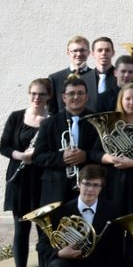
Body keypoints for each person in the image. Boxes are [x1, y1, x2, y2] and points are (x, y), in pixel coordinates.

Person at [1, 78, 50, 267]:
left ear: (48, 96)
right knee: (21, 231)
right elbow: (4, 146)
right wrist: (21, 155)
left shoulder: (52, 121)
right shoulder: (16, 117)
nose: (37, 98)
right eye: (33, 93)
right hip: (20, 180)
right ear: (29, 94)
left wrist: (37, 156)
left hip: (41, 181)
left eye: (41, 94)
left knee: (42, 232)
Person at [92, 84, 133, 214]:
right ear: (121, 101)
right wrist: (111, 159)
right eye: (128, 99)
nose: (132, 102)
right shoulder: (110, 124)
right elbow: (94, 153)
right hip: (115, 182)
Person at [33, 76, 96, 206]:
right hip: (55, 190)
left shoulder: (96, 121)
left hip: (88, 188)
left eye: (80, 93)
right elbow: (37, 157)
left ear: (86, 97)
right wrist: (62, 157)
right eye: (71, 93)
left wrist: (86, 155)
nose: (76, 97)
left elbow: (102, 152)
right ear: (64, 98)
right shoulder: (48, 124)